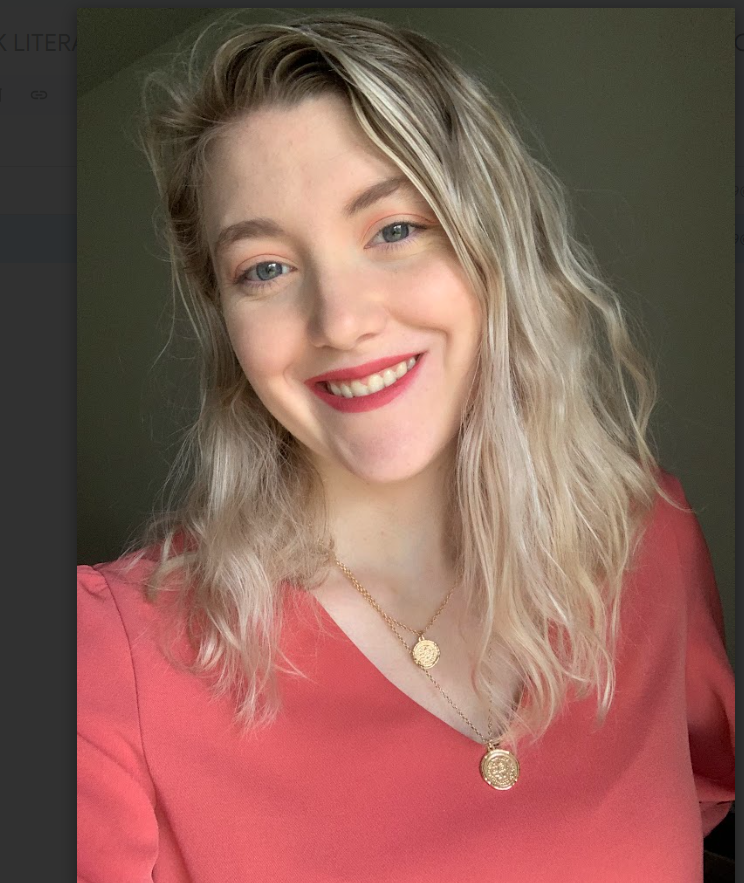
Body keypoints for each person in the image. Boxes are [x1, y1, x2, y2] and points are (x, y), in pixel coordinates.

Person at [77, 13, 734, 882]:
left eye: (395, 229)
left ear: (492, 243)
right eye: (265, 268)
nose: (342, 321)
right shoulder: (108, 662)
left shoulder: (648, 536)